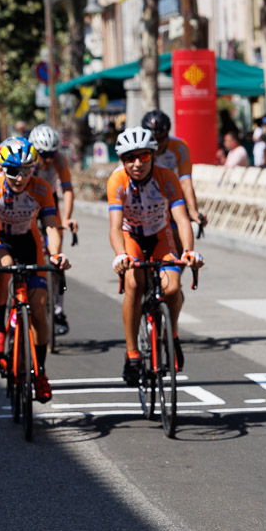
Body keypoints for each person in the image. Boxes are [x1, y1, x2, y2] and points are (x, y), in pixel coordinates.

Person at [0, 137, 71, 402]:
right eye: (14, 171)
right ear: (1, 169)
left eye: (27, 170)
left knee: (39, 311)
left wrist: (57, 253)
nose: (20, 177)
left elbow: (51, 226)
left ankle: (39, 372)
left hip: (29, 242)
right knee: (3, 267)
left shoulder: (41, 188)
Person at [107, 126, 204, 385]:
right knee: (134, 284)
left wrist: (189, 251)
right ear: (122, 160)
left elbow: (181, 220)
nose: (137, 163)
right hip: (131, 237)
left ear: (153, 155)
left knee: (172, 289)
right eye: (130, 158)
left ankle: (172, 336)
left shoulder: (167, 177)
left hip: (160, 234)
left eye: (144, 157)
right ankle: (132, 354)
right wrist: (120, 256)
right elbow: (115, 227)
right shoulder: (117, 181)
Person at [29, 124, 78, 336]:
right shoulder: (28, 159)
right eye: (43, 155)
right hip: (28, 204)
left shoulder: (59, 160)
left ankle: (59, 310)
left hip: (50, 204)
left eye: (52, 154)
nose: (48, 159)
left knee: (57, 258)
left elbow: (67, 190)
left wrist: (66, 219)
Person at [141, 109, 207, 248]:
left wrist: (193, 211)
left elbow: (185, 181)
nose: (157, 144)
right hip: (144, 199)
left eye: (161, 138)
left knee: (180, 245)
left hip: (170, 196)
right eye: (153, 139)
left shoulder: (179, 147)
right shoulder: (139, 149)